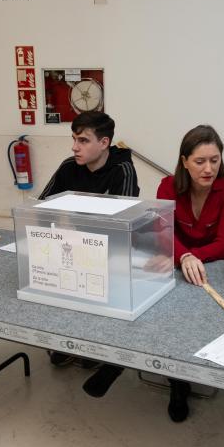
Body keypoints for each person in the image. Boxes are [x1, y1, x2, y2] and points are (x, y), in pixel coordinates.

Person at [37, 111, 141, 391]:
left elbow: (122, 228)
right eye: (74, 139)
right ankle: (69, 341)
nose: (74, 147)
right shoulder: (69, 166)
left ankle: (96, 347)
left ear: (104, 142)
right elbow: (41, 209)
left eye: (83, 140)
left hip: (106, 255)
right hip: (67, 247)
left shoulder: (122, 170)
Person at [150, 124, 224, 421]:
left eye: (214, 160)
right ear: (184, 161)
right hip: (176, 260)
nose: (208, 168)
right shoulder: (167, 186)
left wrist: (193, 256)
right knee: (168, 316)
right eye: (200, 161)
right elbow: (162, 231)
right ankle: (178, 383)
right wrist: (183, 256)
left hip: (214, 265)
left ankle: (204, 368)